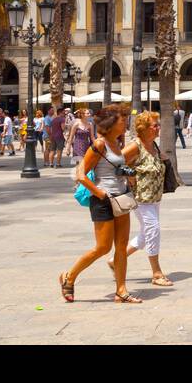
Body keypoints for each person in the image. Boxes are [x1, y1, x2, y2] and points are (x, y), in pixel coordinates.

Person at [59, 104, 141, 304]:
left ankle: (121, 290)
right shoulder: (100, 144)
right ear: (111, 123)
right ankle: (69, 276)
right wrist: (99, 192)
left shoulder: (117, 144)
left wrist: (128, 178)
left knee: (121, 247)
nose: (125, 123)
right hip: (103, 200)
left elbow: (114, 169)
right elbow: (80, 173)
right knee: (103, 248)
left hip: (121, 198)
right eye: (122, 119)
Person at [122, 111, 173, 287]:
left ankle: (116, 260)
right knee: (153, 229)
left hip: (155, 197)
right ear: (143, 129)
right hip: (140, 198)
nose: (159, 128)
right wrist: (128, 175)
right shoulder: (135, 146)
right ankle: (157, 273)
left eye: (158, 124)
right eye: (155, 125)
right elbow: (114, 163)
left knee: (146, 233)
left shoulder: (153, 145)